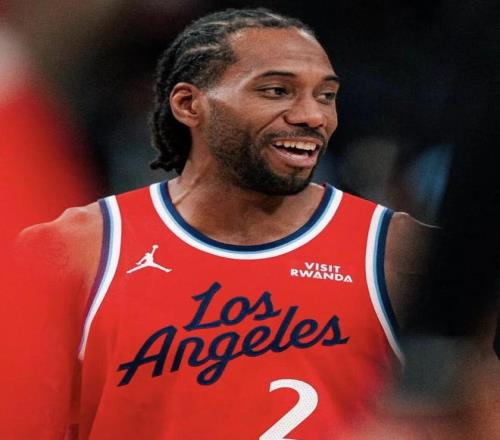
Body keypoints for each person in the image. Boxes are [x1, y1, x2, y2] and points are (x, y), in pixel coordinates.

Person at [1, 8, 434, 439]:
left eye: (325, 96)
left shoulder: (397, 252)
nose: (312, 116)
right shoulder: (74, 251)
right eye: (277, 90)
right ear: (189, 105)